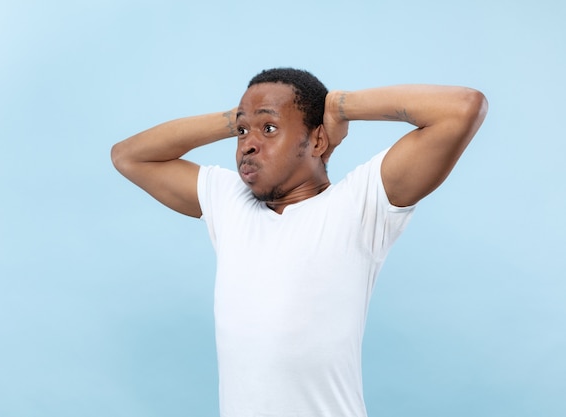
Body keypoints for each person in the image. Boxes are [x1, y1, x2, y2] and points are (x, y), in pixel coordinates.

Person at [111, 68, 488, 417]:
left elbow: (461, 108)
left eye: (270, 129)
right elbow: (129, 156)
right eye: (243, 135)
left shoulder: (360, 204)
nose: (248, 145)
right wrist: (240, 118)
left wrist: (340, 107)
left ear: (318, 139)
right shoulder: (229, 202)